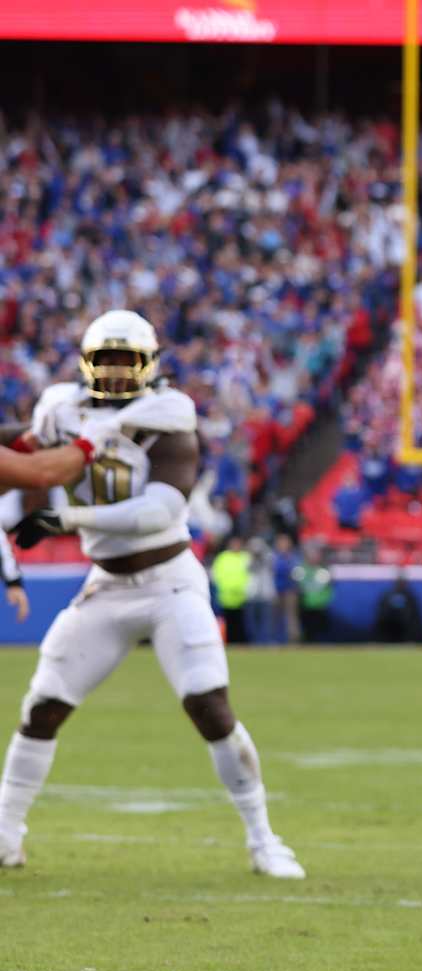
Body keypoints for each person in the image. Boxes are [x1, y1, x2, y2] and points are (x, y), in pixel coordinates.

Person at [0, 311, 304, 877]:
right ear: (86, 364)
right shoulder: (61, 408)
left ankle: (264, 839)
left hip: (170, 582)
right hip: (106, 585)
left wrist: (69, 519)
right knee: (43, 706)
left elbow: (161, 510)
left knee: (208, 705)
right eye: (106, 361)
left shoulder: (167, 413)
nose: (116, 373)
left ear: (150, 365)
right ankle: (5, 834)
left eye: (127, 361)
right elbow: (23, 447)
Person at [294, 545, 334, 643]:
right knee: (307, 629)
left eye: (315, 555)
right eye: (311, 555)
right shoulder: (300, 570)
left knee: (321, 629)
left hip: (320, 605)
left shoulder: (323, 571)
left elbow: (328, 587)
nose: (313, 558)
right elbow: (297, 586)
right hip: (305, 604)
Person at [374, 570, 422, 643]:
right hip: (389, 626)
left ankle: (410, 641)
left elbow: (414, 614)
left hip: (406, 627)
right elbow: (382, 613)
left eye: (402, 582)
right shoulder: (387, 595)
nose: (400, 584)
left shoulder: (410, 596)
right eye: (398, 582)